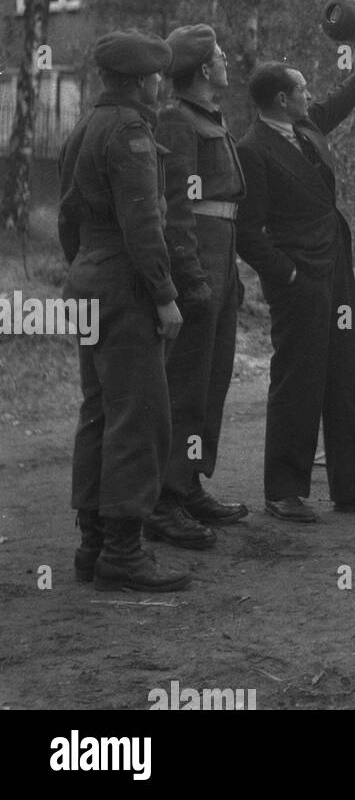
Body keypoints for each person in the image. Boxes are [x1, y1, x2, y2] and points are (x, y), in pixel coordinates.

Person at [235, 51, 355, 522]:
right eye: (302, 89)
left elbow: (343, 97)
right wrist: (286, 276)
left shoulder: (307, 126)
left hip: (335, 266)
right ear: (282, 99)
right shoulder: (251, 150)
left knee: (348, 375)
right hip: (299, 280)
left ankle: (354, 487)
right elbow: (247, 232)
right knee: (298, 380)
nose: (311, 95)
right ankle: (283, 491)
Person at [59, 31, 190, 592]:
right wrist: (163, 295)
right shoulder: (130, 132)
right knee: (138, 417)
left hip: (89, 277)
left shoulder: (83, 129)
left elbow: (67, 220)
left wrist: (87, 268)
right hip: (124, 285)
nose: (160, 85)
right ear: (140, 81)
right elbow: (143, 223)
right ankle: (123, 553)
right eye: (156, 77)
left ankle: (93, 545)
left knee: (100, 414)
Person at [148, 25, 249, 550]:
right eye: (219, 54)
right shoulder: (177, 122)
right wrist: (191, 279)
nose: (227, 58)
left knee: (211, 385)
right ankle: (162, 500)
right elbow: (176, 210)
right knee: (185, 387)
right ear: (205, 69)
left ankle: (188, 484)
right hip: (198, 269)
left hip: (220, 262)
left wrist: (230, 276)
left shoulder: (210, 118)